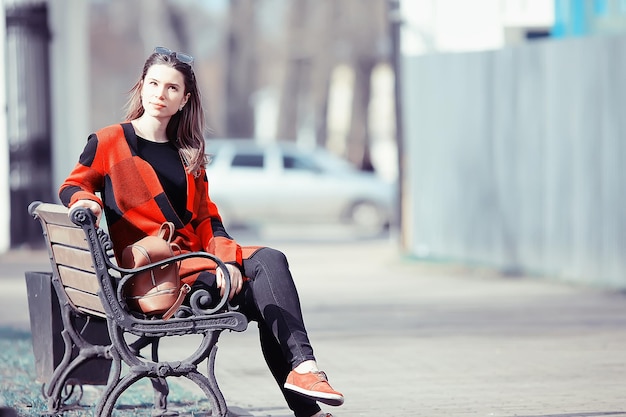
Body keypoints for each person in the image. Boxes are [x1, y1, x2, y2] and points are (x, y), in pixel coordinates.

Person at [59, 46, 343, 417]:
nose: (161, 94)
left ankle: (305, 373)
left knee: (270, 266)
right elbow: (72, 185)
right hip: (156, 279)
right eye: (154, 83)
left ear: (184, 99)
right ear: (141, 86)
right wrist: (85, 201)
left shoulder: (188, 150)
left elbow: (209, 219)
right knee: (265, 292)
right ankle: (308, 393)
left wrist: (226, 263)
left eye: (172, 88)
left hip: (200, 266)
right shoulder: (110, 141)